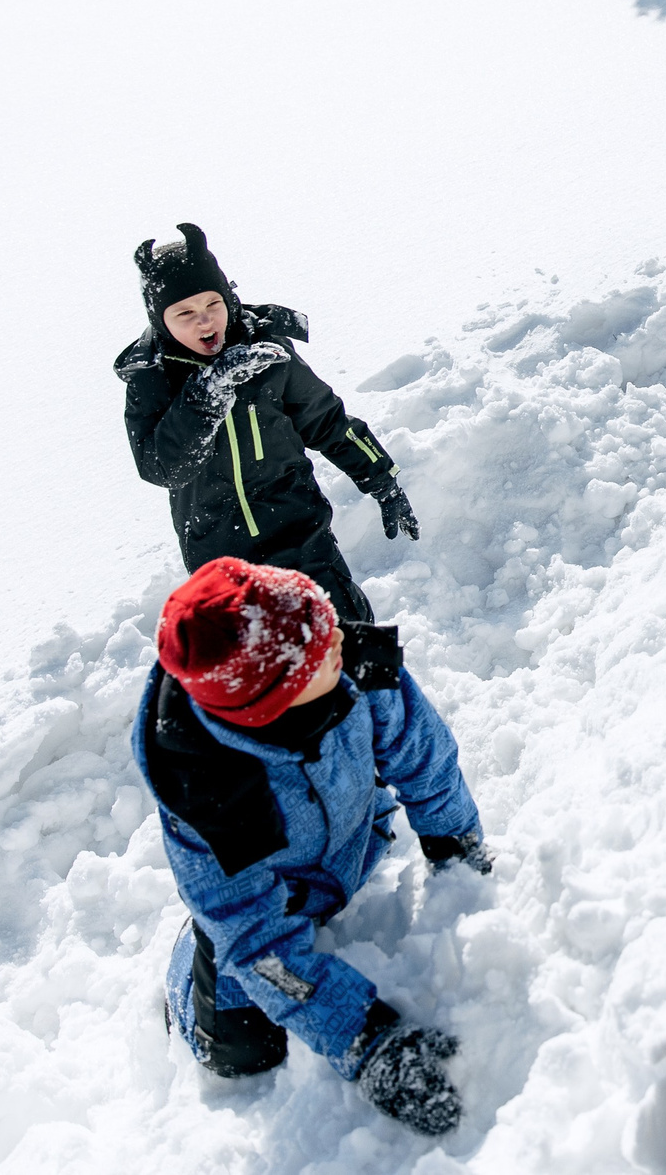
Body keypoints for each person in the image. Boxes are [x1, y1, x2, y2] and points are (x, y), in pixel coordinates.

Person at [136, 555, 493, 1130]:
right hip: (265, 901)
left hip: (350, 841)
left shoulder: (343, 658)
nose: (338, 643)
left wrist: (456, 846)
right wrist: (366, 1039)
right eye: (320, 652)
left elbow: (426, 760)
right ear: (269, 704)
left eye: (326, 623)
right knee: (242, 1050)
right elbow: (257, 940)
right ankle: (194, 965)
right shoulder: (207, 792)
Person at [115, 224, 418, 625]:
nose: (204, 322)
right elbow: (163, 467)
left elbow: (325, 419)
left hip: (300, 533)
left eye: (213, 304)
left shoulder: (266, 351)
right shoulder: (151, 379)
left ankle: (384, 689)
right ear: (161, 319)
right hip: (220, 561)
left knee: (350, 639)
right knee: (266, 676)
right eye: (185, 313)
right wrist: (206, 395)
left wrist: (381, 477)